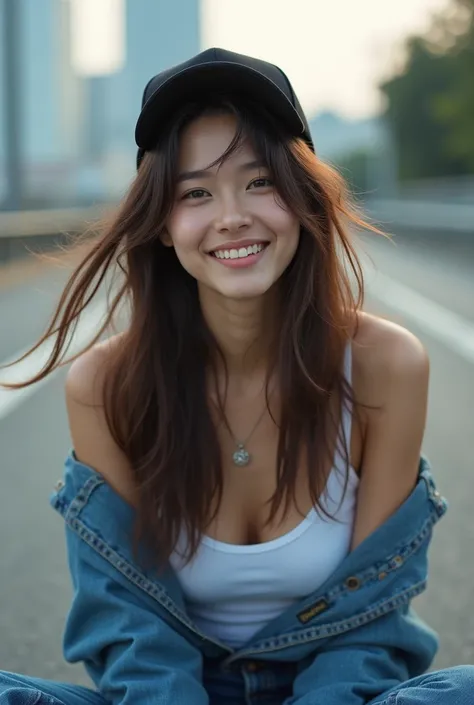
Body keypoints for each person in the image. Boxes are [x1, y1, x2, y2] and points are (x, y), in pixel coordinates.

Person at [0, 47, 472, 705]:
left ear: (303, 197)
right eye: (195, 192)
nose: (231, 216)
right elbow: (128, 629)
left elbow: (373, 624)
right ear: (163, 225)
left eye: (259, 182)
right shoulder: (107, 384)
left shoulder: (385, 365)